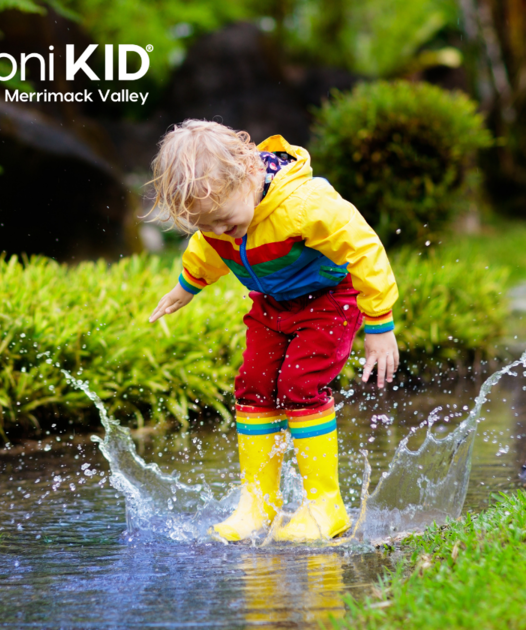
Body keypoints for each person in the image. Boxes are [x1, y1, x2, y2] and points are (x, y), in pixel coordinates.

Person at [147, 120, 399, 543]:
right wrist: (186, 286)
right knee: (254, 385)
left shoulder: (304, 203)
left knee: (300, 385)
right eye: (206, 226)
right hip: (271, 306)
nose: (221, 233)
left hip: (329, 300)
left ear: (249, 172)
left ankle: (325, 505)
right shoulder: (218, 220)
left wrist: (379, 323)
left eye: (225, 222)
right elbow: (207, 248)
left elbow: (363, 248)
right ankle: (257, 504)